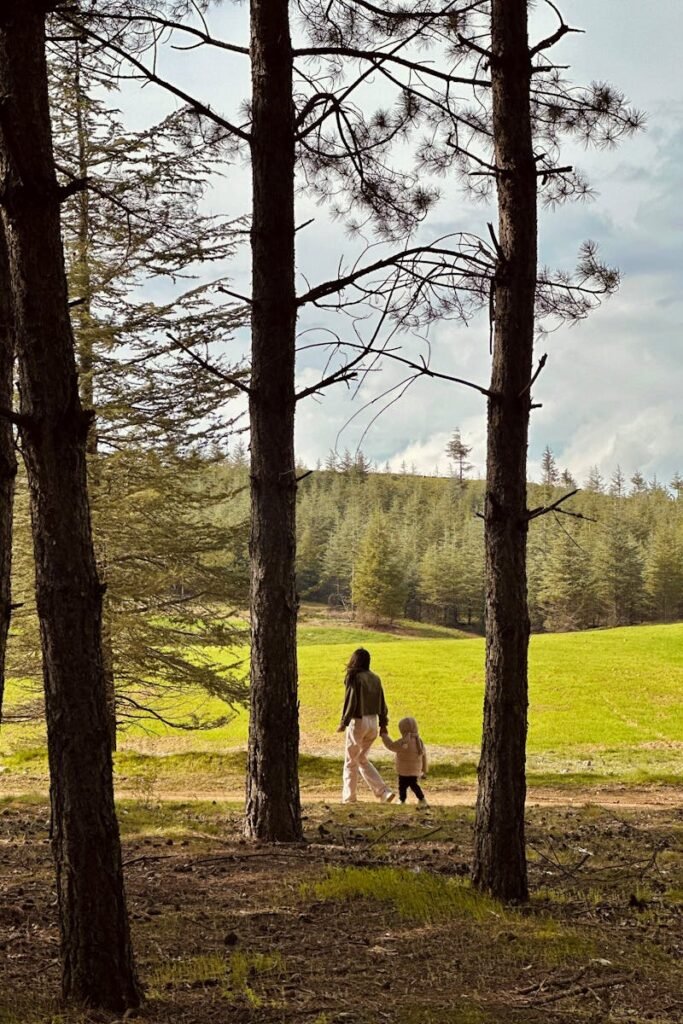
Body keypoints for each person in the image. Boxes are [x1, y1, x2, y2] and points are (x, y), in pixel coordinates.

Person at [337, 648, 394, 804]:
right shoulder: (376, 678)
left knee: (350, 761)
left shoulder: (354, 678)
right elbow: (382, 703)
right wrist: (384, 723)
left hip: (358, 721)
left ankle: (349, 798)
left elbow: (351, 700)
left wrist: (344, 722)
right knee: (361, 758)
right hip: (373, 722)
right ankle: (383, 792)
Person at [380, 716, 429, 807]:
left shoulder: (403, 742)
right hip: (415, 770)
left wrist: (384, 736)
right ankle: (422, 799)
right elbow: (424, 756)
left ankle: (402, 799)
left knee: (402, 786)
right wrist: (424, 770)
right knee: (414, 785)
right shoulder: (419, 742)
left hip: (403, 770)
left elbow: (391, 746)